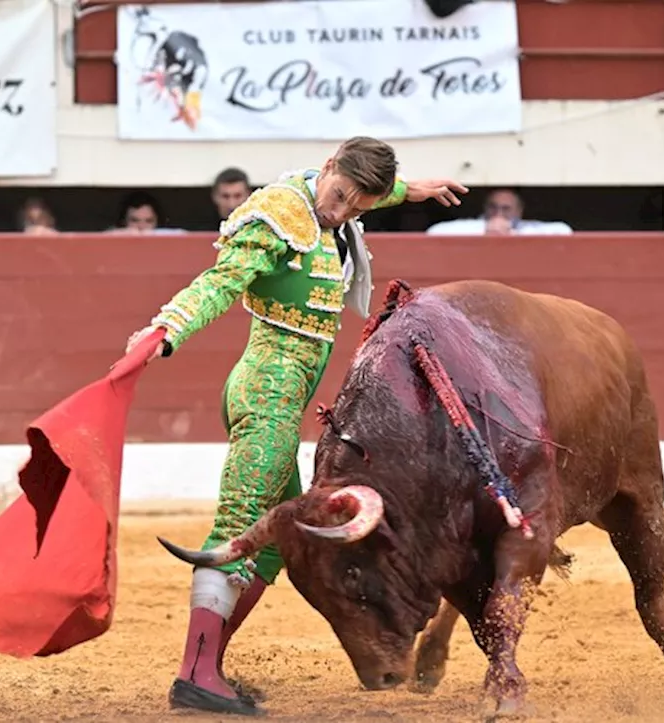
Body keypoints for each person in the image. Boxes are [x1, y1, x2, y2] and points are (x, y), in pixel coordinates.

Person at [122, 136, 468, 716]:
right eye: (340, 197)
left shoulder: (332, 197)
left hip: (286, 394)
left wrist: (415, 190)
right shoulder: (276, 214)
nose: (342, 213)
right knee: (238, 527)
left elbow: (357, 192)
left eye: (358, 208)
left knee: (276, 543)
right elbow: (220, 282)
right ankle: (197, 674)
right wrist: (165, 330)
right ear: (328, 166)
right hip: (267, 391)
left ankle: (207, 666)